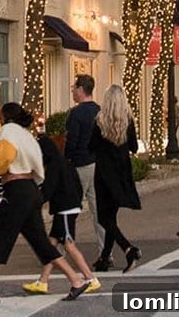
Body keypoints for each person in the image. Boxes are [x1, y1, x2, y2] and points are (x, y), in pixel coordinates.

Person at [0, 103, 90, 305]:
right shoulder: (29, 136)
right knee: (41, 242)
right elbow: (38, 166)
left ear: (7, 117)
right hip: (30, 189)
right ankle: (76, 280)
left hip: (14, 189)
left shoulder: (8, 131)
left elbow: (4, 158)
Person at [22, 116, 101, 295]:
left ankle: (90, 278)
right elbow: (78, 185)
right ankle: (43, 281)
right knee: (51, 245)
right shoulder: (65, 162)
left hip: (64, 208)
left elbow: (48, 190)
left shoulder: (54, 166)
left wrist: (33, 202)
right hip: (69, 206)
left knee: (68, 244)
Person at [90, 85, 142, 273]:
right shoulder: (128, 121)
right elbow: (135, 147)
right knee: (111, 216)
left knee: (104, 218)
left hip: (104, 174)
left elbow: (91, 146)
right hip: (122, 173)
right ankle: (104, 257)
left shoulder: (100, 121)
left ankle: (128, 249)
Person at [65, 74, 106, 265]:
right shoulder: (100, 111)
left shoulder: (75, 114)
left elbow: (71, 142)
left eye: (74, 87)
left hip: (80, 164)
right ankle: (105, 252)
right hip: (98, 164)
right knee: (98, 211)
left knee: (69, 209)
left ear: (81, 90)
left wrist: (66, 163)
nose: (72, 90)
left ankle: (62, 251)